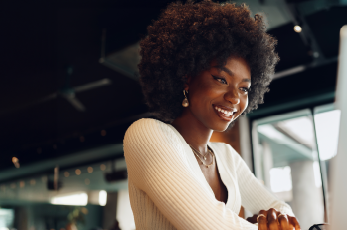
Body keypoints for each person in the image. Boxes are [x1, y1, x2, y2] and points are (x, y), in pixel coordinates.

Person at [123, 1, 301, 229]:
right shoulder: (146, 134)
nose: (235, 98)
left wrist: (276, 221)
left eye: (244, 88)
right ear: (186, 77)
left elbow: (282, 209)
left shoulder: (227, 157)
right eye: (221, 79)